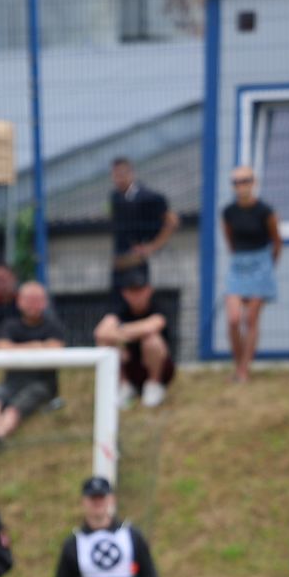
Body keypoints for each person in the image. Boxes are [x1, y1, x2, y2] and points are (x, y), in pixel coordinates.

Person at [0, 282, 68, 454]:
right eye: (28, 300)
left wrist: (16, 348)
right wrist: (38, 346)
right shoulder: (10, 325)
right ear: (19, 302)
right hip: (12, 383)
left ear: (45, 302)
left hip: (41, 384)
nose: (32, 304)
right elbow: (1, 347)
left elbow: (55, 348)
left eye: (37, 300)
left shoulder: (53, 326)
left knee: (15, 408)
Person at [221, 166, 281, 384]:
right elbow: (230, 240)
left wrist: (268, 267)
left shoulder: (265, 211)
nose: (241, 186)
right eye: (236, 182)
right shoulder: (228, 212)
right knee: (233, 318)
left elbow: (277, 241)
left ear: (253, 183)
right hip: (239, 264)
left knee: (251, 319)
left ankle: (244, 370)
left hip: (261, 263)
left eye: (245, 180)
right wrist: (240, 259)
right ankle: (238, 364)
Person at [93, 270, 175, 409]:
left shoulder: (159, 306)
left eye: (140, 290)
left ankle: (154, 385)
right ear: (125, 293)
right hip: (130, 366)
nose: (137, 296)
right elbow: (100, 333)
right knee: (106, 344)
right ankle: (124, 386)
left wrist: (120, 330)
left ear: (149, 290)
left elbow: (152, 326)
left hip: (161, 368)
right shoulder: (119, 309)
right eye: (132, 291)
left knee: (151, 340)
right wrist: (134, 333)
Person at [109, 156, 179, 285]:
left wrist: (152, 247)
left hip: (137, 264)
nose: (118, 179)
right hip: (119, 262)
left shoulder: (149, 197)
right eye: (115, 175)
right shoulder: (115, 197)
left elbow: (172, 221)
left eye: (122, 174)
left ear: (131, 173)